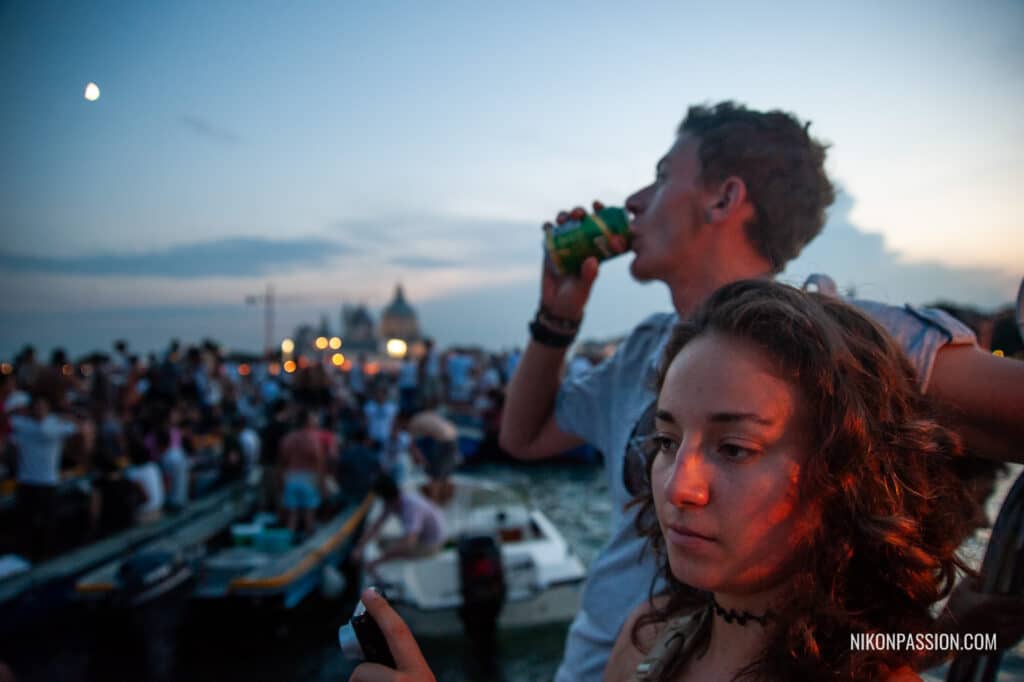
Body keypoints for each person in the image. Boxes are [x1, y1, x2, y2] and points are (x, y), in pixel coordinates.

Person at [498, 101, 1024, 681]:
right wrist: (557, 315)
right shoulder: (643, 349)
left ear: (723, 198)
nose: (634, 202)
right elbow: (523, 438)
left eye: (663, 175)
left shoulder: (842, 343)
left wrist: (947, 635)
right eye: (666, 441)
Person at [347, 281, 978, 681]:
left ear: (844, 475)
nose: (678, 486)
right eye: (667, 441)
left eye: (734, 448)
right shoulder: (648, 637)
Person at [9, 393, 79, 559]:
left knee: (47, 525)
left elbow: (76, 427)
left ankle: (44, 557)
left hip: (47, 482)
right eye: (37, 407)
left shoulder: (52, 425)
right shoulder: (22, 425)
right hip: (27, 482)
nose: (40, 410)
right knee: (26, 526)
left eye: (43, 406)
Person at [352, 474, 446, 575]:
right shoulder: (395, 499)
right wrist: (360, 547)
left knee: (388, 550)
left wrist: (377, 561)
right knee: (382, 543)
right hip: (420, 537)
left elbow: (409, 542)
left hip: (432, 544)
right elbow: (376, 526)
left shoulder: (411, 507)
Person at [277, 409, 327, 536]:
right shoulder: (312, 440)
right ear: (308, 423)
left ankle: (288, 544)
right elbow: (319, 462)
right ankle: (310, 544)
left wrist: (281, 482)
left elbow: (282, 462)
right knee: (309, 517)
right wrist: (322, 484)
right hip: (308, 479)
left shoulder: (287, 439)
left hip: (291, 477)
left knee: (292, 517)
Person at [404, 409, 459, 504]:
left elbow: (412, 447)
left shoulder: (413, 422)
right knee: (444, 475)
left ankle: (433, 504)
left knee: (435, 477)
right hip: (453, 439)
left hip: (444, 441)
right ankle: (440, 500)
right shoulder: (425, 415)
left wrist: (421, 459)